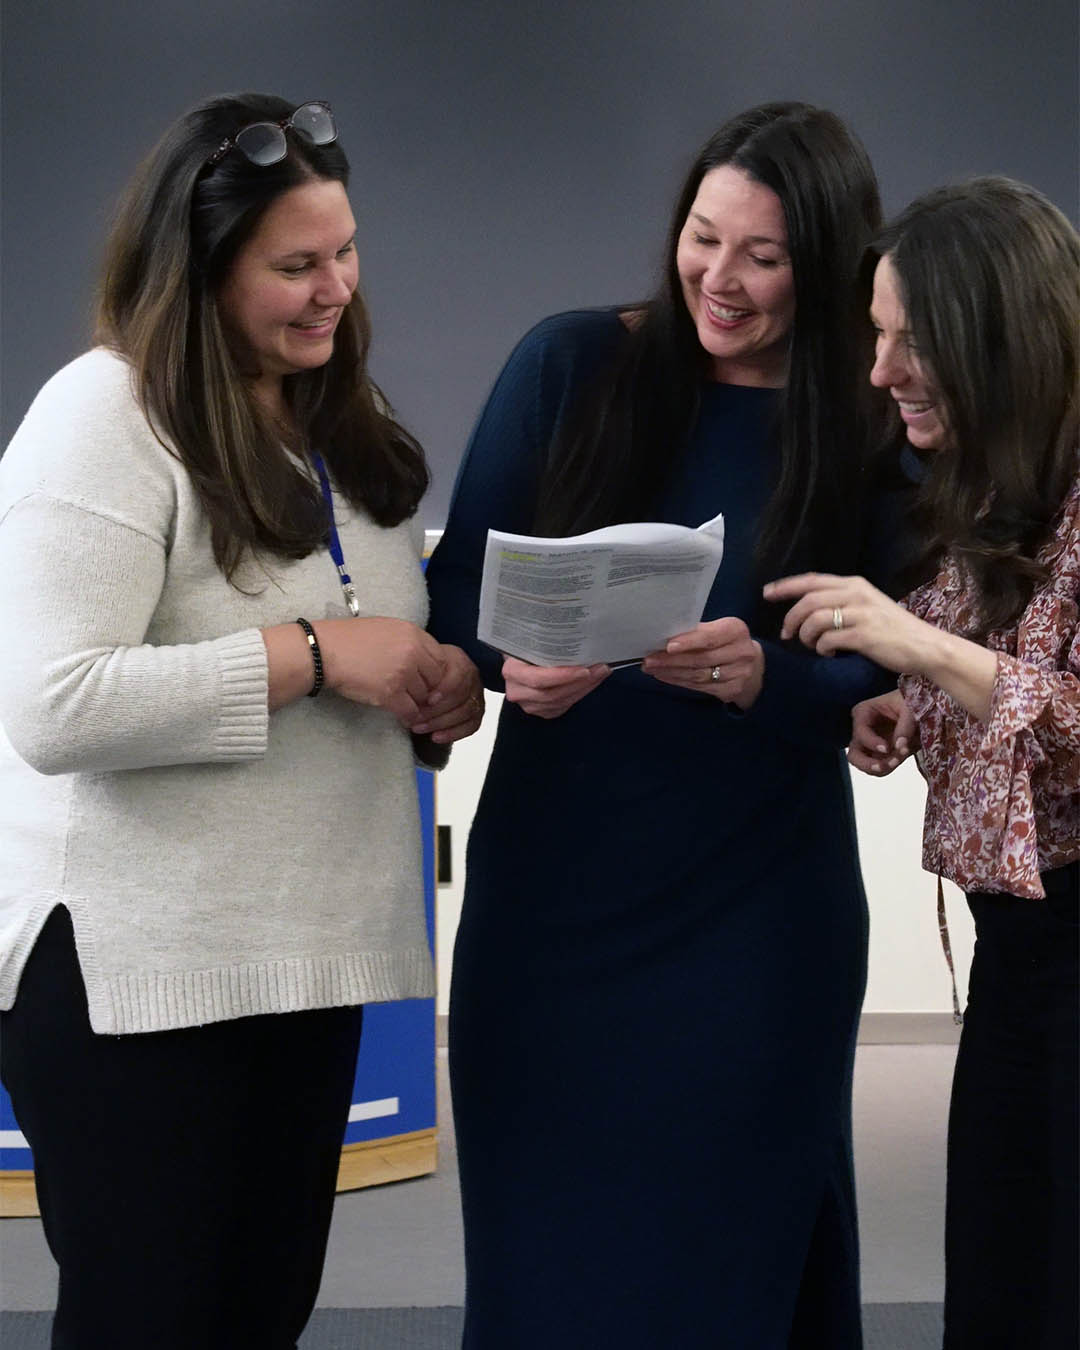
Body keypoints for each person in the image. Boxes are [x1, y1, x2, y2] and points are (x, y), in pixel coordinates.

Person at [0, 93, 482, 1349]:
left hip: (306, 963)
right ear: (200, 270)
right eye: (294, 265)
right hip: (138, 983)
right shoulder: (103, 416)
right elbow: (54, 704)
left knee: (259, 1318)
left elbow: (368, 653)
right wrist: (314, 656)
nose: (336, 289)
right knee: (149, 1322)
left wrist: (432, 696)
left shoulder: (344, 428)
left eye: (346, 251)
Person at [426, 102, 899, 1348]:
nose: (720, 279)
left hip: (758, 911)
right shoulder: (570, 363)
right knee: (546, 1260)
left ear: (828, 264)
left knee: (731, 1257)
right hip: (553, 905)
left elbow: (887, 660)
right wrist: (515, 660)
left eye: (765, 256)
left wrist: (764, 678)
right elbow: (456, 594)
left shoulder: (866, 415)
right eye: (704, 237)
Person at [767, 177, 1079, 1350]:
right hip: (1022, 954)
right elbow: (1008, 676)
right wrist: (915, 697)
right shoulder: (1001, 484)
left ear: (998, 338)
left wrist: (927, 650)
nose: (881, 370)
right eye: (878, 335)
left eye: (911, 341)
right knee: (1004, 1279)